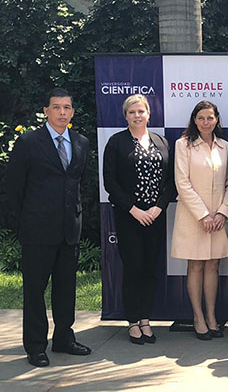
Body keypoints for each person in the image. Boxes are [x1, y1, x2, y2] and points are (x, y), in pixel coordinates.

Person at [6, 88, 91, 367]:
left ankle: (64, 338)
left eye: (67, 107)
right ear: (46, 111)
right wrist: (22, 224)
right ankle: (35, 346)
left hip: (69, 230)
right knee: (34, 291)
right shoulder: (29, 142)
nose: (62, 112)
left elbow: (77, 183)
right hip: (36, 231)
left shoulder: (80, 141)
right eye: (57, 107)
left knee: (66, 289)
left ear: (72, 112)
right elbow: (13, 187)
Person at [103, 94, 174, 345]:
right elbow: (110, 181)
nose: (137, 116)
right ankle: (132, 321)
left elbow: (170, 182)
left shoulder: (161, 141)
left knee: (150, 269)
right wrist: (134, 210)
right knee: (133, 269)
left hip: (155, 217)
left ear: (148, 114)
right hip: (129, 216)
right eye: (132, 112)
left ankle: (146, 319)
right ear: (125, 116)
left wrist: (158, 208)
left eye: (141, 111)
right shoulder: (116, 142)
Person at [170, 101, 228, 341]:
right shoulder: (183, 145)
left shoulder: (225, 147)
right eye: (201, 118)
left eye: (210, 118)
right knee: (196, 265)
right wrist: (203, 215)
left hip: (218, 219)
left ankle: (212, 317)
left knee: (213, 266)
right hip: (193, 218)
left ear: (217, 119)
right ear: (194, 120)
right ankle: (198, 317)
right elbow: (182, 183)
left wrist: (222, 213)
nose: (206, 122)